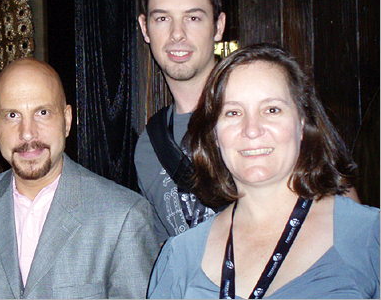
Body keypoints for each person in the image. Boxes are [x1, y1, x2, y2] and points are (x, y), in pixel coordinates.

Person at [148, 43, 379, 299]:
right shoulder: (179, 257)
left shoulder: (369, 236)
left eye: (271, 110)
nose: (252, 129)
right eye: (233, 112)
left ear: (302, 123)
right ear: (214, 133)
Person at [0, 57, 159, 298]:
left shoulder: (123, 217)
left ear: (66, 120)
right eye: (12, 115)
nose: (27, 133)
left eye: (42, 112)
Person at [134, 0, 226, 244]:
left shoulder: (262, 114)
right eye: (162, 18)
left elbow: (338, 212)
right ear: (145, 28)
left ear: (218, 26)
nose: (177, 34)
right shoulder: (149, 148)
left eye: (193, 17)